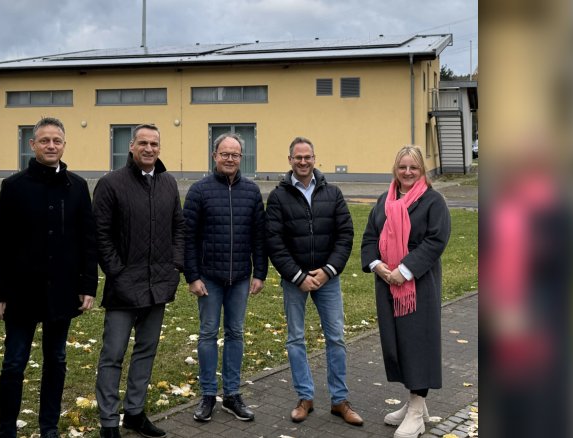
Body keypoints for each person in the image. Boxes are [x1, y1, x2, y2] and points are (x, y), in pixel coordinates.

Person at [0, 117, 98, 438]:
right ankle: (7, 429)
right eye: (45, 140)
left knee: (57, 359)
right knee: (13, 362)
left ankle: (48, 426)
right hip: (21, 293)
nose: (51, 146)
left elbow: (87, 241)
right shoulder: (13, 187)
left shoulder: (77, 187)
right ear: (32, 145)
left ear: (64, 145)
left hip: (62, 292)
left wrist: (87, 285)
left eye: (57, 141)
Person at [92, 124, 185, 438]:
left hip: (158, 286)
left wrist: (174, 265)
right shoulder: (111, 184)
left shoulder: (169, 183)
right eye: (143, 142)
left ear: (160, 148)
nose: (149, 148)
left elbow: (178, 229)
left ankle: (134, 413)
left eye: (154, 143)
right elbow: (100, 235)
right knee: (113, 354)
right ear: (131, 146)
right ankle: (108, 421)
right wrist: (116, 271)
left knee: (146, 351)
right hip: (123, 287)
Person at [265, 136, 362, 426]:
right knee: (295, 338)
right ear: (290, 160)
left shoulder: (332, 193)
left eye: (308, 157)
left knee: (336, 337)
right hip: (294, 280)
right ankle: (305, 398)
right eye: (298, 158)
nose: (303, 162)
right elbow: (274, 240)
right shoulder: (278, 196)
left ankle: (339, 401)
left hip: (327, 278)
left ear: (314, 159)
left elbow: (345, 235)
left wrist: (328, 270)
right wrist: (297, 276)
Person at [360, 145, 450, 438]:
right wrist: (377, 265)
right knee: (397, 342)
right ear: (395, 170)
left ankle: (416, 411)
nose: (408, 172)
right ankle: (415, 401)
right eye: (403, 167)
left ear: (422, 170)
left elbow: (436, 241)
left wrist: (405, 269)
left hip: (418, 283)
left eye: (413, 167)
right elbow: (370, 236)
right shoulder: (383, 200)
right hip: (387, 282)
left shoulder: (433, 201)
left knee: (418, 342)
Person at [183, 133, 267, 423]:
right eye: (225, 153)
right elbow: (187, 238)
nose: (230, 158)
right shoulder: (199, 191)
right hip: (209, 278)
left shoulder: (252, 191)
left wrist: (261, 273)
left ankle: (231, 394)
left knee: (236, 333)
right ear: (214, 155)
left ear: (241, 158)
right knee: (207, 334)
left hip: (241, 277)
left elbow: (259, 235)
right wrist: (192, 276)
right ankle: (207, 395)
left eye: (235, 154)